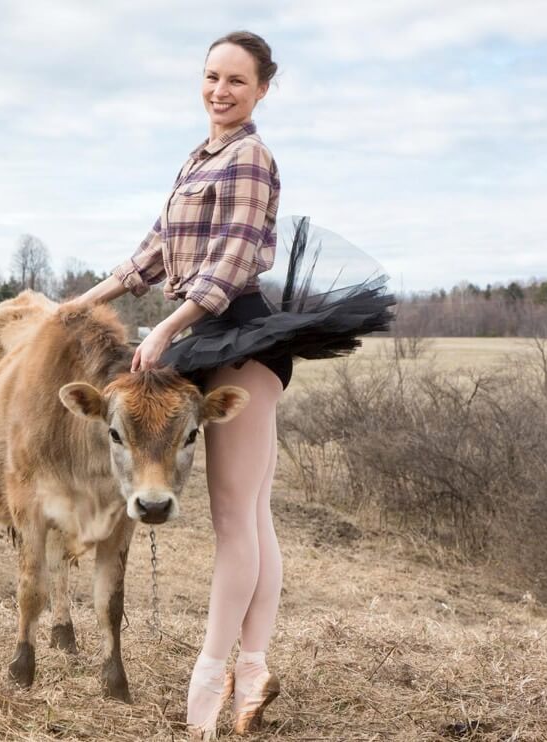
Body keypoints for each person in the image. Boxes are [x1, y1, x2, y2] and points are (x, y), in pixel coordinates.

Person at [63, 31, 392, 739]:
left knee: (233, 522)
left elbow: (231, 264)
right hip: (213, 333)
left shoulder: (249, 157)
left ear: (263, 89)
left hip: (236, 336)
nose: (221, 90)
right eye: (212, 76)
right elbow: (152, 252)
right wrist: (85, 301)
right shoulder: (198, 158)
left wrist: (162, 331)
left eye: (237, 81)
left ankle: (210, 680)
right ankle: (253, 668)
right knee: (254, 519)